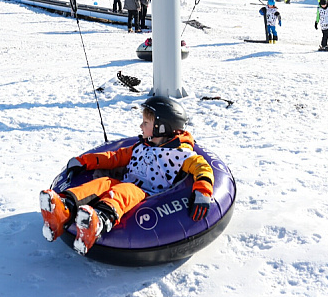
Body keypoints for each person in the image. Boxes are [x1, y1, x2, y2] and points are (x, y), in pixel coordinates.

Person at [39, 96, 214, 256]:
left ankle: (99, 221)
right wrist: (84, 161)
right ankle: (64, 208)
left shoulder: (180, 153)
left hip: (147, 194)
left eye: (145, 122)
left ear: (161, 127)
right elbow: (114, 157)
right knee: (104, 182)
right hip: (126, 183)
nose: (141, 126)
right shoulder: (141, 146)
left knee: (125, 189)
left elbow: (203, 168)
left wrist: (202, 192)